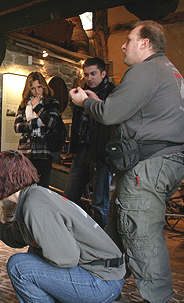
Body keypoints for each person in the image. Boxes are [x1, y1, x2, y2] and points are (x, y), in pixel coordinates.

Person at [69, 20, 184, 303]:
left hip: (149, 165)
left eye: (129, 40)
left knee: (141, 230)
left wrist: (86, 103)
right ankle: (103, 280)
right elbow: (123, 109)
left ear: (145, 44)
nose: (123, 45)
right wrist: (100, 103)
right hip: (164, 161)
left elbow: (110, 114)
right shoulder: (168, 71)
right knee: (123, 225)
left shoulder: (146, 70)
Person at [0, 151, 125, 303]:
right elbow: (14, 237)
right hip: (103, 278)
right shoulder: (33, 196)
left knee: (19, 267)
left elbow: (67, 258)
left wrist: (37, 258)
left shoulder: (35, 205)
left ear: (0, 180)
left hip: (101, 282)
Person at [64, 58, 115, 228]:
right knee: (68, 197)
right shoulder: (82, 93)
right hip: (83, 151)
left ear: (103, 73)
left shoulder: (112, 93)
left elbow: (112, 121)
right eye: (86, 74)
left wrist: (95, 102)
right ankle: (71, 234)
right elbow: (79, 124)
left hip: (101, 153)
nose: (89, 78)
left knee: (100, 203)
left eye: (93, 74)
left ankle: (104, 246)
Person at [14, 72, 60, 188]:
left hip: (43, 151)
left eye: (39, 87)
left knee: (41, 189)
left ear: (44, 86)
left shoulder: (52, 103)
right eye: (33, 88)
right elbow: (17, 126)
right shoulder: (24, 105)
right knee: (24, 187)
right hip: (25, 151)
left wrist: (37, 106)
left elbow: (52, 123)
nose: (37, 91)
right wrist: (38, 122)